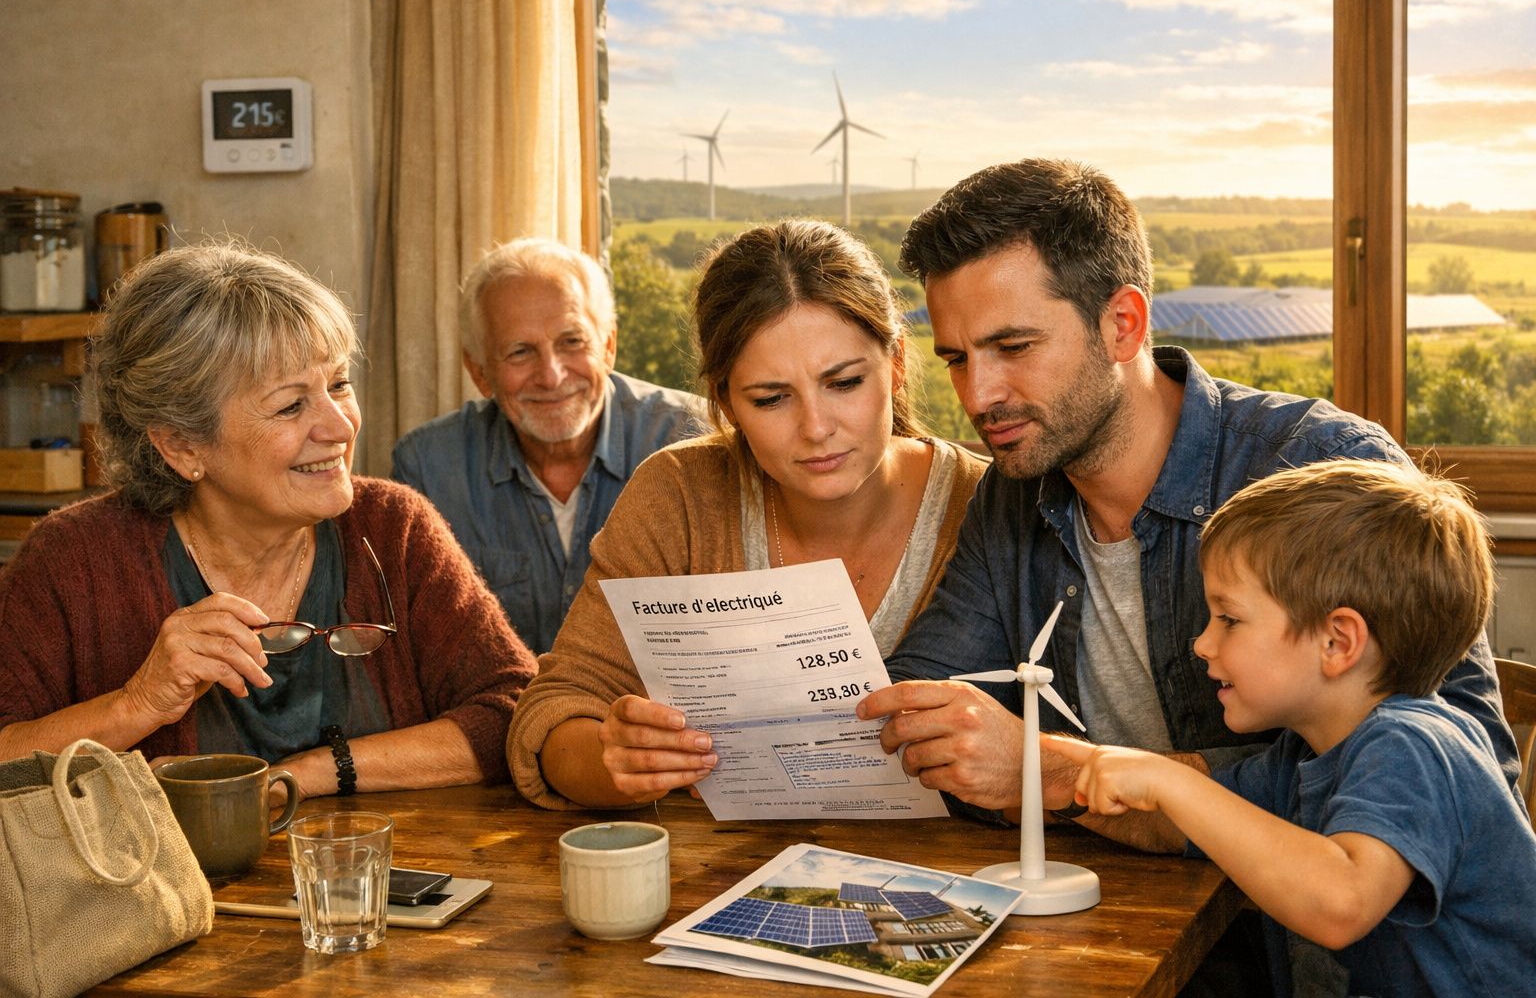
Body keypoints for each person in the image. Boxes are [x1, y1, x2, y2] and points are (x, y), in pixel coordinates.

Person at [857, 158, 1516, 824]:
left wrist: (1066, 776)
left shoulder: (1320, 463)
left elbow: (1462, 768)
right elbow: (913, 703)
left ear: (1123, 324)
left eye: (1015, 346)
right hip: (1112, 917)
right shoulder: (1011, 493)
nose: (978, 396)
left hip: (1280, 929)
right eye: (956, 359)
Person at [0, 244, 538, 800]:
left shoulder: (393, 527)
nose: (338, 426)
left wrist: (307, 774)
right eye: (290, 406)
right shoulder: (72, 559)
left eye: (338, 384)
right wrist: (138, 703)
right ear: (182, 445)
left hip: (381, 881)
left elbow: (517, 716)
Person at [507, 219, 990, 810]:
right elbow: (555, 712)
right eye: (770, 399)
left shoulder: (988, 504)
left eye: (844, 383)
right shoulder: (680, 494)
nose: (816, 428)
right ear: (725, 401)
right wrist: (614, 761)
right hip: (720, 875)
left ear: (894, 363)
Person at [1043, 459, 1536, 997]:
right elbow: (1182, 824)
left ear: (1337, 642)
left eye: (1228, 619)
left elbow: (1341, 903)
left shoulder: (1414, 746)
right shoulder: (1301, 758)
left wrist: (1170, 780)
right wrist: (1040, 762)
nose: (1203, 643)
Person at [392, 238, 703, 653]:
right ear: (480, 372)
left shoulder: (692, 439)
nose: (552, 377)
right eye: (520, 352)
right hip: (506, 716)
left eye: (572, 342)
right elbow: (420, 652)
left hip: (655, 715)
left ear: (608, 346)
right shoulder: (428, 470)